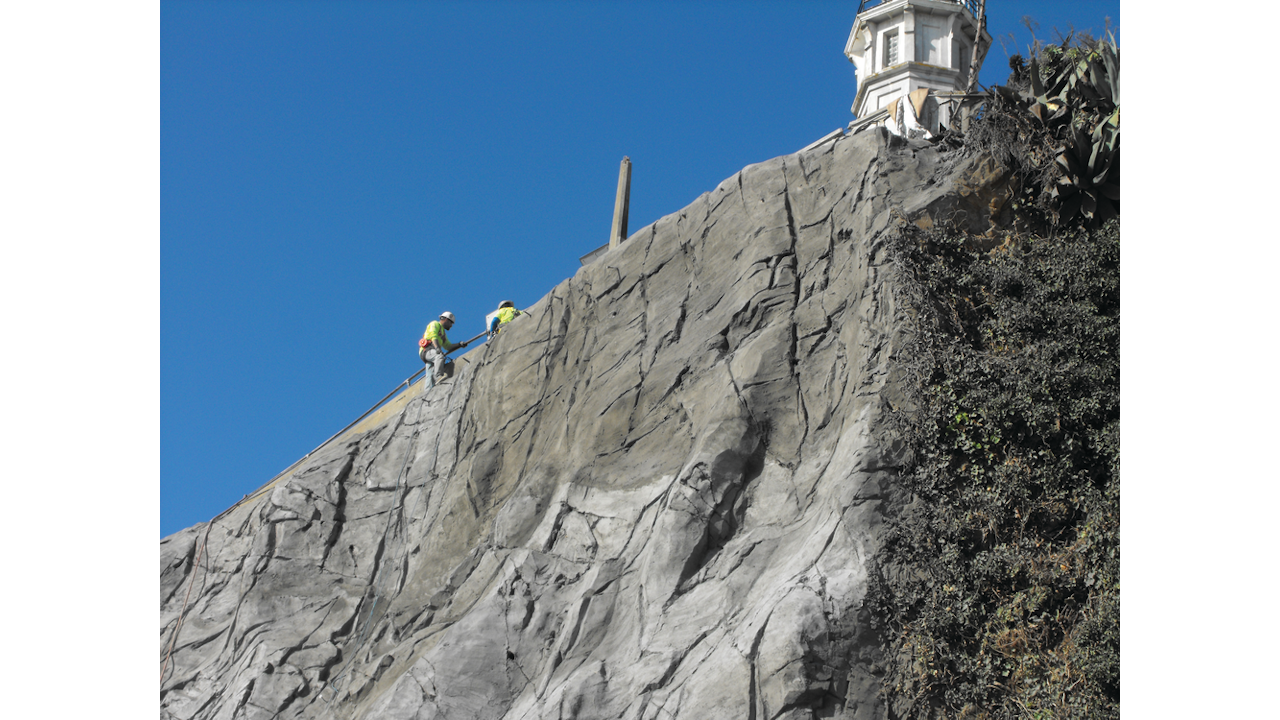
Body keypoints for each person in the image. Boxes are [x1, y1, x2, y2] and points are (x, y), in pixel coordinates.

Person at [419, 311, 468, 383]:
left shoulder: (443, 334)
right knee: (439, 356)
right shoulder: (435, 324)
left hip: (432, 353)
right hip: (427, 350)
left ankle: (429, 390)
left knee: (430, 374)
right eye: (451, 323)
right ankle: (439, 376)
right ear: (446, 320)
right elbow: (433, 336)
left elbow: (448, 346)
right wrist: (437, 348)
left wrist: (459, 345)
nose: (451, 325)